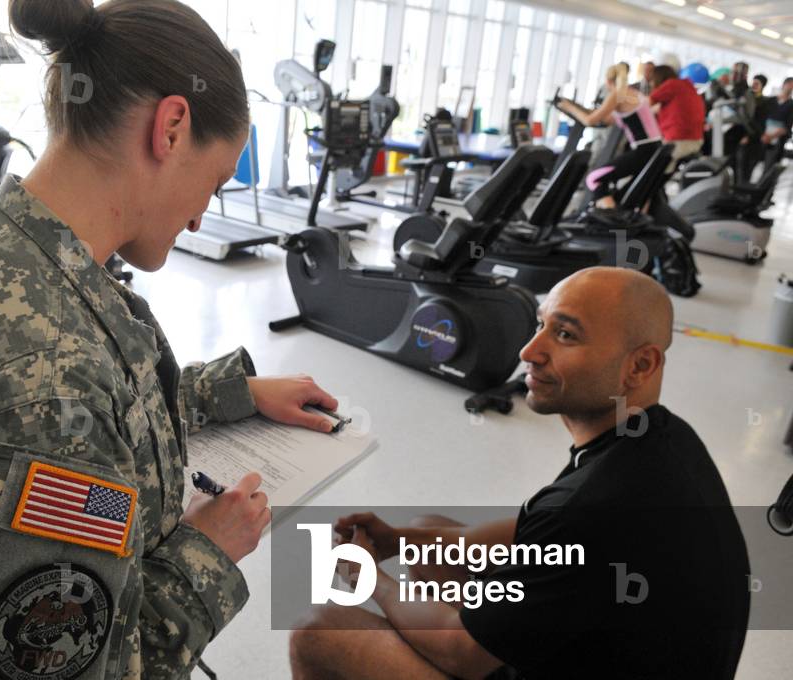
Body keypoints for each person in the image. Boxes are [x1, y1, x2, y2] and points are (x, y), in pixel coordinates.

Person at [0, 0, 343, 677]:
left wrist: (232, 391)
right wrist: (208, 551)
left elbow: (96, 399)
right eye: (213, 182)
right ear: (171, 128)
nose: (199, 217)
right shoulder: (50, 392)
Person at [289, 267, 750, 680]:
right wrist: (400, 540)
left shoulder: (591, 506)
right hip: (617, 646)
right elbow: (540, 536)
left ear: (640, 365)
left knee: (318, 633)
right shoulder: (658, 438)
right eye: (540, 325)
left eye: (565, 335)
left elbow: (463, 654)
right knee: (430, 539)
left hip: (566, 656)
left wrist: (371, 578)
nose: (530, 350)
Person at [557, 63, 663, 208]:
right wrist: (580, 109)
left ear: (608, 81)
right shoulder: (633, 93)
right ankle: (615, 216)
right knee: (631, 193)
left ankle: (611, 219)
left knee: (594, 179)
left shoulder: (618, 94)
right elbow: (607, 119)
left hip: (644, 151)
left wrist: (568, 106)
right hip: (655, 147)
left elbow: (589, 121)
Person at [649, 65, 706, 169]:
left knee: (654, 167)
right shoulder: (686, 85)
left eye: (652, 80)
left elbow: (647, 103)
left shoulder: (671, 84)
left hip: (679, 140)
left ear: (658, 78)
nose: (651, 84)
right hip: (695, 139)